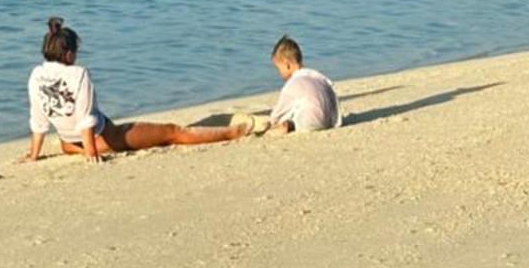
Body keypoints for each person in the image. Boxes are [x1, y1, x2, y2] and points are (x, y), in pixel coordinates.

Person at [23, 17, 253, 163]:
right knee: (172, 132)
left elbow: (39, 120)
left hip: (69, 144)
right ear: (69, 54)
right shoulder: (78, 73)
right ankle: (232, 132)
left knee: (115, 128)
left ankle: (83, 148)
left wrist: (34, 156)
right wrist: (92, 154)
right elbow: (85, 118)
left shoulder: (36, 75)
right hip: (101, 139)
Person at [267, 35, 342, 134]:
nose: (279, 72)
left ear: (287, 65)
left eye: (278, 68)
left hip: (310, 122)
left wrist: (271, 122)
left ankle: (291, 125)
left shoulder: (292, 84)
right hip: (330, 120)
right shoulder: (318, 77)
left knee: (288, 111)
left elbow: (277, 114)